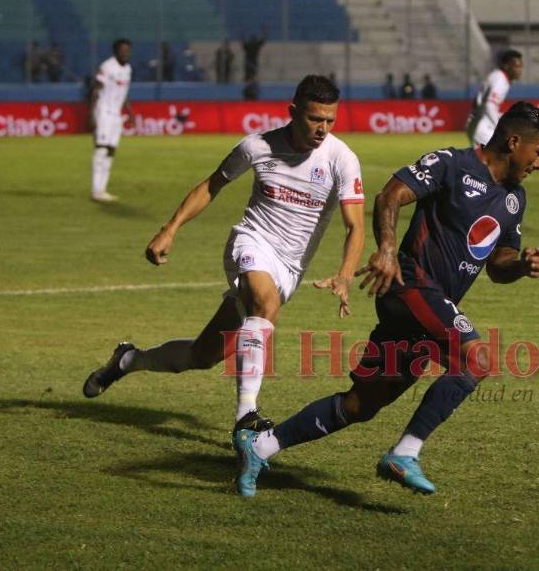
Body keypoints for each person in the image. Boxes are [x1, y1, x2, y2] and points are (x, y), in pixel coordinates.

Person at [234, 102, 539, 497]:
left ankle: (261, 446)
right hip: (410, 285)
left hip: (429, 309)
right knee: (478, 358)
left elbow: (498, 262)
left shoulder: (514, 199)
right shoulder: (452, 163)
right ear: (514, 141)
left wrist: (519, 265)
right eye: (538, 152)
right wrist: (386, 248)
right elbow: (389, 197)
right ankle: (406, 452)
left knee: (360, 404)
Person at [83, 75, 365, 441]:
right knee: (265, 304)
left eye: (330, 120)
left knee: (202, 356)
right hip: (252, 243)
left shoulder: (341, 159)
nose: (322, 129)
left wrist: (345, 274)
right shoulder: (257, 147)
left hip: (289, 268)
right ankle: (246, 414)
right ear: (293, 112)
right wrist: (170, 229)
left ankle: (128, 360)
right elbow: (212, 184)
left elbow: (355, 226)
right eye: (315, 119)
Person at [89, 38, 132, 203]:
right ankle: (95, 189)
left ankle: (102, 189)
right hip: (104, 112)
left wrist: (131, 113)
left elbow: (124, 93)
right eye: (122, 50)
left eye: (128, 50)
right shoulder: (107, 67)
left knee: (111, 151)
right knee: (101, 149)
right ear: (116, 52)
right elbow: (95, 90)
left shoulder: (128, 69)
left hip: (116, 115)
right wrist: (92, 114)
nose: (126, 53)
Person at [466, 49, 523, 147]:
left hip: (478, 124)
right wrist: (499, 127)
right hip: (482, 127)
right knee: (507, 154)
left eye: (521, 66)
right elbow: (489, 105)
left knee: (486, 161)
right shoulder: (500, 80)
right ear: (506, 66)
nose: (520, 70)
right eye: (516, 66)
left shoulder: (497, 76)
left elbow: (484, 104)